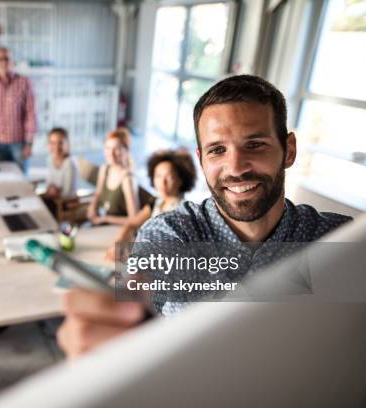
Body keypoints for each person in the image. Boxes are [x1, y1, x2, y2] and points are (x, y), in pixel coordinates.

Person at [58, 75, 353, 359]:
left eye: (254, 144)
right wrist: (108, 337)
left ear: (288, 150)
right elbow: (127, 311)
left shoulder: (341, 239)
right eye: (217, 150)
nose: (235, 167)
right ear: (201, 160)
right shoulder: (163, 234)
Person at [105, 149, 197, 261]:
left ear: (181, 180)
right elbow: (132, 224)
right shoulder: (155, 202)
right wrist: (118, 243)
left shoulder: (184, 210)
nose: (163, 182)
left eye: (170, 176)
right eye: (158, 176)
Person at [0, 47, 37, 173]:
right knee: (4, 177)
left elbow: (31, 114)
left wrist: (29, 143)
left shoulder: (24, 82)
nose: (3, 62)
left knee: (21, 178)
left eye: (6, 58)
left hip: (20, 142)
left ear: (12, 61)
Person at [86, 128, 139, 225]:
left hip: (118, 229)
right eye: (107, 148)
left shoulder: (128, 179)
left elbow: (134, 219)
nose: (111, 153)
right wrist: (92, 208)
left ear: (126, 150)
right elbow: (97, 193)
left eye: (117, 148)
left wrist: (105, 219)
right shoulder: (105, 169)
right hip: (101, 223)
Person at [41, 127, 77, 216]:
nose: (57, 147)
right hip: (52, 198)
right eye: (53, 143)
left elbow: (67, 193)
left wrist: (54, 191)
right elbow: (49, 183)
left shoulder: (69, 164)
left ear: (66, 144)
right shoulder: (50, 159)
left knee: (42, 210)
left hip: (65, 203)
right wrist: (51, 189)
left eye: (60, 143)